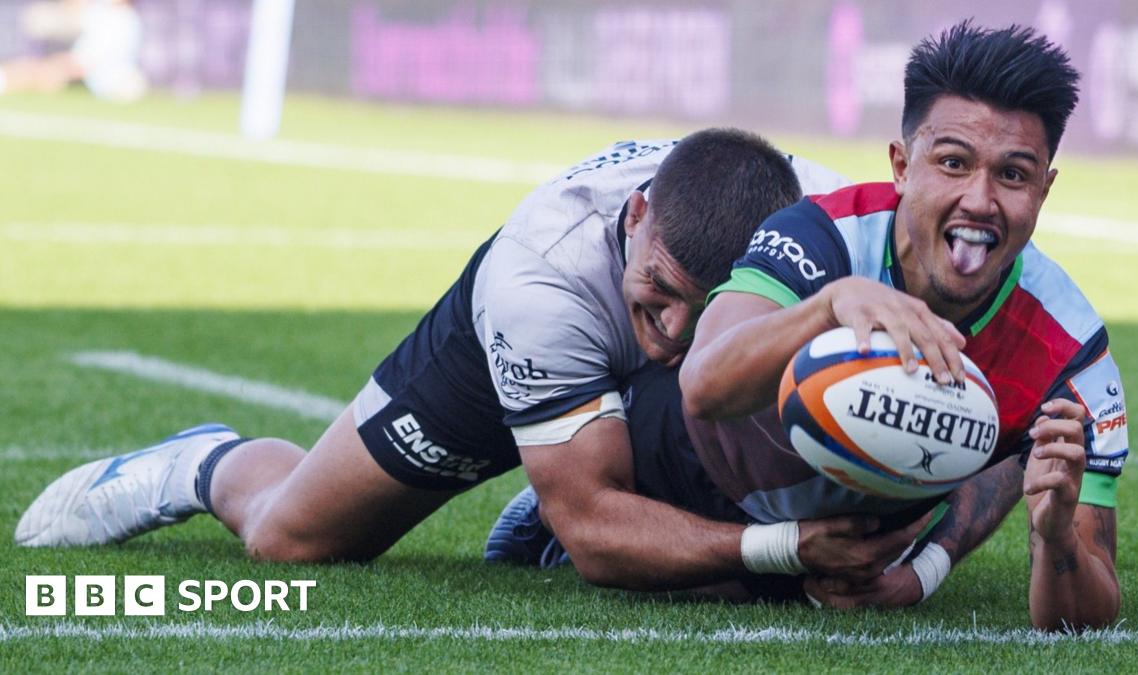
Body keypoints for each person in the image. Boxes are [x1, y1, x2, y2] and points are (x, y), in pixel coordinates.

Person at [17, 128, 873, 591]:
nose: (677, 330)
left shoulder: (823, 228)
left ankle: (546, 506)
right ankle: (204, 462)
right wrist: (786, 545)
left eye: (707, 304)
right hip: (519, 341)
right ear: (638, 214)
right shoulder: (540, 280)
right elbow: (598, 531)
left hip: (645, 362)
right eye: (660, 289)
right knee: (293, 539)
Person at [491, 22, 1125, 630]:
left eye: (1012, 175)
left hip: (864, 527)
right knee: (715, 576)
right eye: (954, 163)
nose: (980, 200)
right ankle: (552, 524)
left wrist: (1049, 536)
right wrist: (828, 306)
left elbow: (1083, 619)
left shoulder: (1072, 352)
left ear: (1044, 189)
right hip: (694, 471)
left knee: (1014, 441)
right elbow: (703, 382)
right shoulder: (823, 233)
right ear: (902, 167)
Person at [1, 0, 146, 103]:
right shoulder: (102, 11)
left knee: (48, 73)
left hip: (103, 80)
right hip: (90, 73)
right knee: (44, 69)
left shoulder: (121, 20)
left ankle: (6, 81)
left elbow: (86, 62)